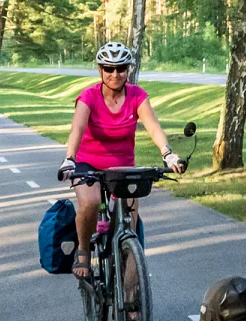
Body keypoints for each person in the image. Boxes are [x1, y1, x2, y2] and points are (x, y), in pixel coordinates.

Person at [57, 42, 186, 284]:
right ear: (100, 70)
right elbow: (77, 130)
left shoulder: (137, 95)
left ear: (128, 69)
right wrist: (70, 159)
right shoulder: (88, 97)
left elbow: (153, 126)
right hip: (87, 164)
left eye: (121, 68)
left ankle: (130, 296)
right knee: (91, 203)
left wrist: (168, 154)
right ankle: (84, 251)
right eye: (109, 68)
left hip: (123, 168)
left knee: (131, 225)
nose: (115, 74)